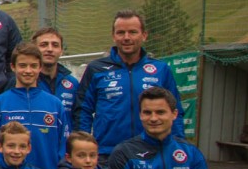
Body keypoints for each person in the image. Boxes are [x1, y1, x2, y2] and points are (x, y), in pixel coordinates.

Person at [77, 10, 184, 157]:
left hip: (152, 154)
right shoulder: (96, 69)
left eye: (133, 32)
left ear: (144, 35)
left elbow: (175, 112)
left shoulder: (161, 69)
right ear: (113, 36)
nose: (126, 38)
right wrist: (82, 149)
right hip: (107, 155)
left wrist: (178, 147)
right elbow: (82, 111)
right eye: (121, 33)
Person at [0, 43, 66, 169]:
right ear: (13, 67)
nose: (28, 71)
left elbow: (63, 145)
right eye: (23, 65)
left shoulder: (55, 104)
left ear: (40, 67)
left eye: (33, 66)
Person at [32, 27, 78, 131]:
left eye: (55, 45)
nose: (50, 49)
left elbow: (78, 118)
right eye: (44, 45)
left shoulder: (73, 84)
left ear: (61, 51)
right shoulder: (24, 82)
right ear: (33, 50)